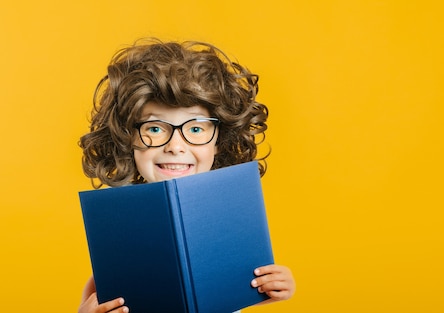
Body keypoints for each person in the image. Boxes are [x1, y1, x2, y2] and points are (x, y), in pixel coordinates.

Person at [78, 38, 295, 313]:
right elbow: (95, 301)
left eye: (195, 129)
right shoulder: (115, 235)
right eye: (155, 129)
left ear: (219, 140)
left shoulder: (235, 217)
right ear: (128, 137)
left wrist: (278, 284)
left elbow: (256, 283)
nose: (176, 146)